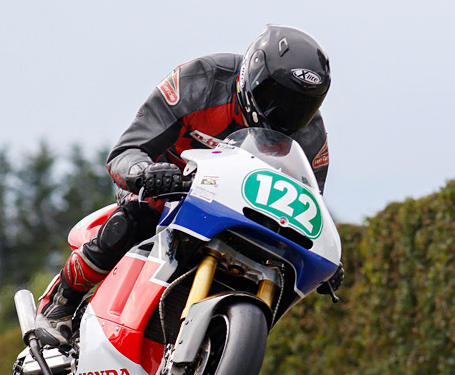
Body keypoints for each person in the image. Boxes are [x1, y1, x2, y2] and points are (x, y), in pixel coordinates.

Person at [34, 25, 343, 348]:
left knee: (281, 275)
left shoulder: (312, 139)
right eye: (274, 97)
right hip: (167, 188)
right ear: (251, 76)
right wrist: (146, 172)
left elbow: (305, 207)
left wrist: (325, 259)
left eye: (301, 107)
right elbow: (126, 151)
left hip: (237, 214)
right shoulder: (199, 82)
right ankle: (62, 303)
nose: (285, 115)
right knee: (138, 217)